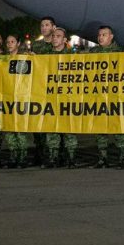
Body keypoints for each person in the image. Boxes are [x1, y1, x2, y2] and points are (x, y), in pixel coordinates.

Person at [89, 25, 124, 169]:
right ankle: (102, 158)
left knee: (119, 128)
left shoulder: (120, 52)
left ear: (111, 36)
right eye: (99, 35)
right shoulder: (92, 53)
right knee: (100, 128)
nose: (100, 37)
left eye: (104, 35)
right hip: (98, 96)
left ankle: (122, 158)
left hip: (115, 97)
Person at [40, 27, 79, 168]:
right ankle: (53, 157)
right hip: (51, 97)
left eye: (58, 36)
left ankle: (71, 157)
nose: (55, 38)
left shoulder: (72, 56)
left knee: (69, 129)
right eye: (54, 36)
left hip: (68, 98)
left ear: (64, 40)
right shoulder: (44, 55)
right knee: (52, 128)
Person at [29, 17, 56, 165]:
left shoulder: (57, 44)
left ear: (53, 27)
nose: (44, 28)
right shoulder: (36, 46)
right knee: (38, 123)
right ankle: (40, 153)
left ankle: (55, 154)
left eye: (47, 25)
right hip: (38, 89)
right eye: (42, 25)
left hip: (53, 90)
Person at [1, 34, 29, 168]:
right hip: (7, 99)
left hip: (21, 99)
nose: (10, 44)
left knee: (20, 131)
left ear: (18, 44)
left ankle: (22, 158)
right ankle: (13, 156)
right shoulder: (3, 60)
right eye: (8, 42)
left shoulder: (25, 58)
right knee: (9, 130)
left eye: (12, 42)